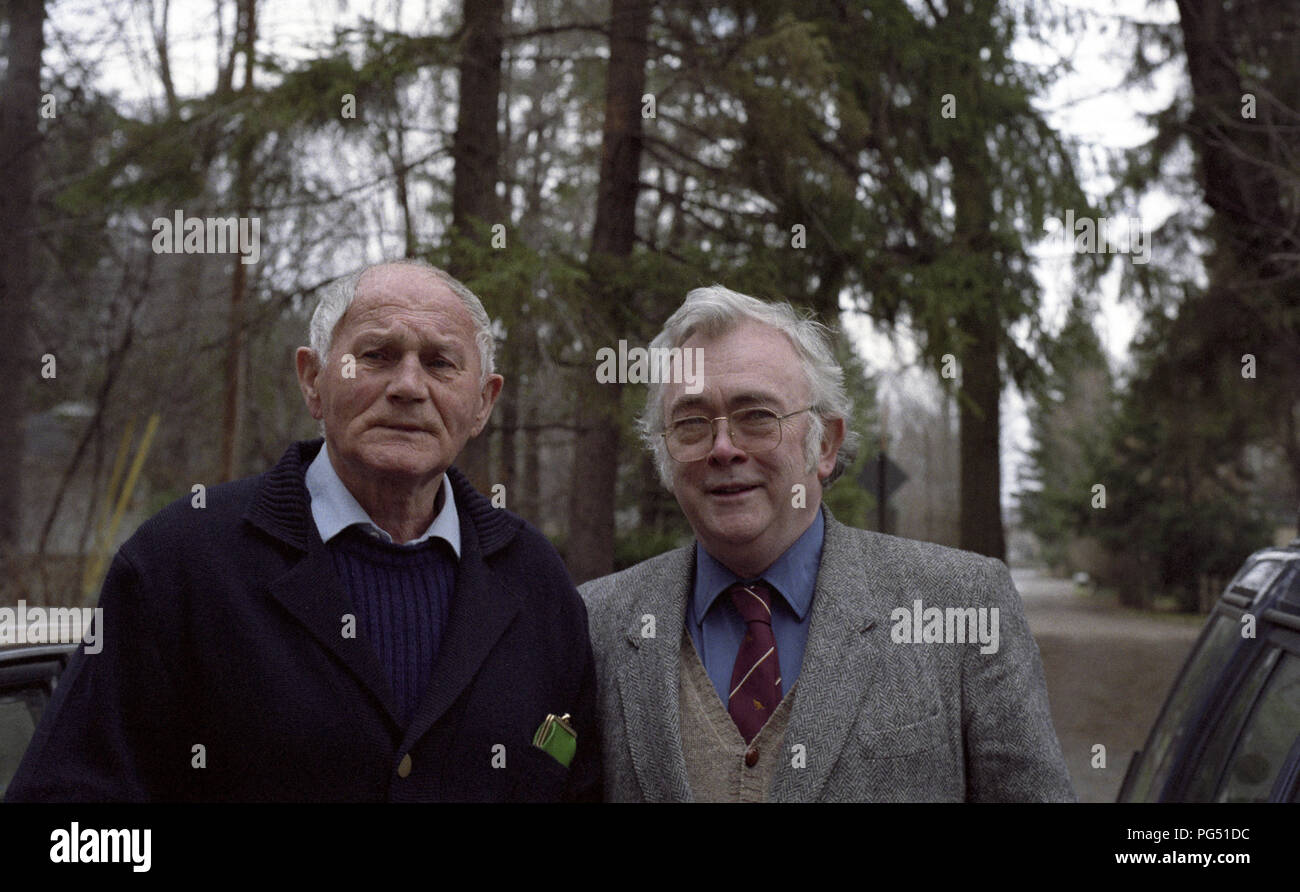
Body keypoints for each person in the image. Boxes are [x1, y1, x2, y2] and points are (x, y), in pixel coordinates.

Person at [7, 260, 599, 801]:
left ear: (483, 403)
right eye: (376, 355)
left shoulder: (537, 584)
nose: (409, 386)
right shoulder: (181, 562)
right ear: (312, 380)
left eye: (440, 363)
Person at [578, 285, 1074, 801]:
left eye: (757, 416)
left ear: (826, 444)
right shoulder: (597, 623)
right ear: (663, 452)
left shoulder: (961, 604)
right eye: (691, 423)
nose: (723, 448)